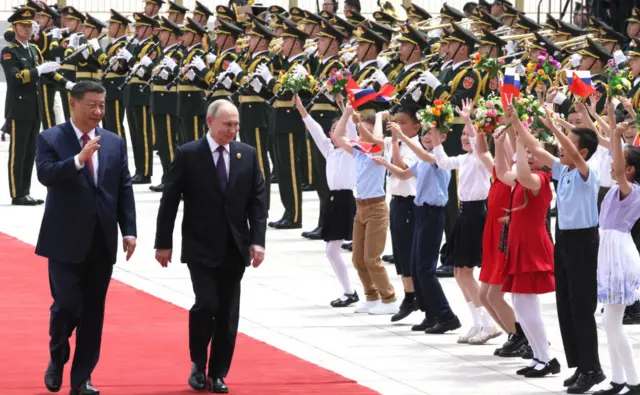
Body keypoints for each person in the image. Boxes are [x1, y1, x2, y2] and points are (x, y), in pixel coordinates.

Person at [154, 100, 267, 394]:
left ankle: (218, 373)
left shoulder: (247, 154)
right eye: (227, 124)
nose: (233, 130)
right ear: (209, 122)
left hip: (234, 247)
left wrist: (257, 241)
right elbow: (169, 201)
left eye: (236, 124)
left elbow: (258, 202)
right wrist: (163, 243)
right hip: (200, 245)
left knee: (228, 312)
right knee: (207, 304)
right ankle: (197, 362)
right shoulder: (188, 154)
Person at [35, 81, 137, 395]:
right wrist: (78, 159)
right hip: (64, 239)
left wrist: (129, 229)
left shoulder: (114, 142)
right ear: (73, 103)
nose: (98, 112)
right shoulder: (51, 138)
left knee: (93, 312)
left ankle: (82, 380)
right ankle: (57, 354)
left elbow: (123, 188)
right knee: (66, 305)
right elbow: (46, 175)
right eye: (92, 105)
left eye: (102, 106)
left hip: (101, 240)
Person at [519, 107, 605, 394]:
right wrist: (516, 122)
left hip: (583, 242)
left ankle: (592, 369)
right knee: (566, 306)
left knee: (581, 307)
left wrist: (555, 127)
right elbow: (535, 148)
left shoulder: (585, 172)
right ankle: (581, 365)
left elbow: (575, 153)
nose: (560, 145)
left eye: (567, 140)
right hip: (565, 239)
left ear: (579, 149)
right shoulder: (563, 170)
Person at [496, 107, 560, 378]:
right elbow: (502, 174)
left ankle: (547, 358)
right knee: (520, 305)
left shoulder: (541, 180)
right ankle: (538, 355)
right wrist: (500, 144)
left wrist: (521, 143)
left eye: (534, 154)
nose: (529, 157)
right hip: (520, 242)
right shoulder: (526, 178)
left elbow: (522, 175)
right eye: (528, 153)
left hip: (533, 244)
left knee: (527, 303)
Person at [431, 100, 498, 341]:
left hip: (476, 213)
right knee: (459, 273)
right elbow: (444, 162)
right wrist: (436, 139)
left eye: (469, 136)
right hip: (463, 213)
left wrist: (470, 120)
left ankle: (488, 322)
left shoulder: (481, 158)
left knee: (466, 272)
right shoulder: (465, 159)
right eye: (462, 135)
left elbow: (479, 146)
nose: (464, 138)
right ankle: (477, 322)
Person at [1, 7, 73, 206]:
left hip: (35, 109)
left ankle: (25, 191)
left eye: (29, 26)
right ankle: (17, 193)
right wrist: (37, 70)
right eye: (23, 26)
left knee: (30, 151)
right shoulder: (9, 52)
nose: (27, 29)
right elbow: (15, 77)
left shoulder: (33, 50)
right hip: (19, 109)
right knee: (18, 153)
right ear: (14, 27)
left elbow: (48, 73)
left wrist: (68, 84)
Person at [333, 104, 399, 315]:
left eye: (369, 130)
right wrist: (346, 113)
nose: (364, 133)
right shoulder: (360, 151)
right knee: (358, 258)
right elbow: (337, 136)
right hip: (360, 207)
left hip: (377, 208)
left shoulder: (380, 149)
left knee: (372, 258)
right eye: (362, 129)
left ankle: (389, 298)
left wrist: (378, 116)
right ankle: (371, 296)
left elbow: (376, 139)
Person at [294, 94, 359, 307]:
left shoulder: (352, 151)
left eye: (337, 129)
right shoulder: (330, 151)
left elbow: (351, 132)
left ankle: (358, 291)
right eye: (332, 130)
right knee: (332, 251)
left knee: (351, 251)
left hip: (347, 199)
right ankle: (349, 291)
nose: (333, 133)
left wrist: (347, 112)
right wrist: (303, 110)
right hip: (333, 201)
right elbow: (316, 132)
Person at [594, 122, 640, 395]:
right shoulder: (616, 188)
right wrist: (610, 129)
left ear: (630, 169)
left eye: (618, 161)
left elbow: (618, 167)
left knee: (612, 322)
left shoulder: (630, 189)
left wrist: (614, 134)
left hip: (620, 256)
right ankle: (618, 380)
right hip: (611, 253)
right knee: (609, 323)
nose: (612, 164)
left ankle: (633, 382)